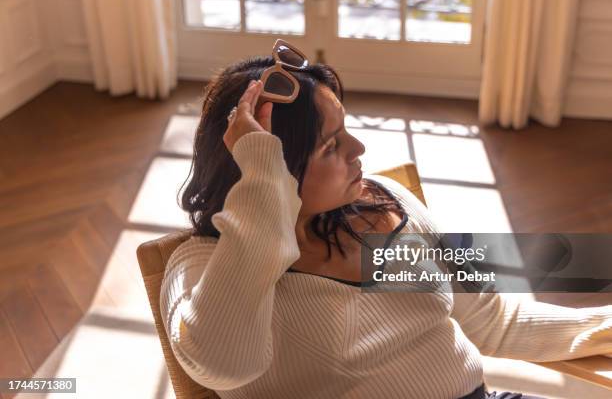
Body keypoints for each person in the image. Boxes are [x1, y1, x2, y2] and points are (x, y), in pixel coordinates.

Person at [160, 48, 612, 399]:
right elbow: (225, 365)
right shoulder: (200, 267)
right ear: (268, 167)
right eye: (331, 146)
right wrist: (261, 185)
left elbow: (492, 320)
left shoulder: (381, 201)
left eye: (346, 130)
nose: (358, 149)